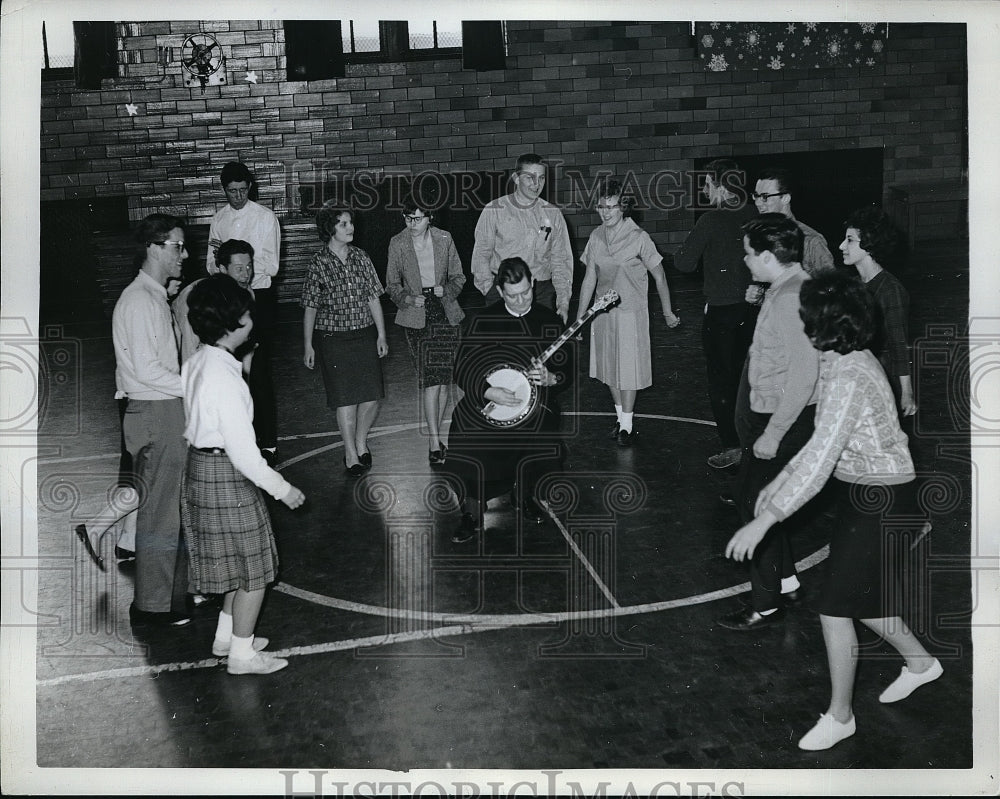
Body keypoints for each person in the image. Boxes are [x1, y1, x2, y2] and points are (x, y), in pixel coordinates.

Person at [726, 270, 942, 751]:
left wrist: (765, 519)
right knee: (860, 599)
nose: (802, 323)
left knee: (834, 607)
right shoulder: (844, 360)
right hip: (866, 492)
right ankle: (922, 663)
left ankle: (841, 716)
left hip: (883, 498)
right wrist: (779, 482)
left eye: (806, 316)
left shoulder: (848, 374)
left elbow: (822, 457)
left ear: (824, 323)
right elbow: (821, 445)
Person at [181, 274, 306, 675]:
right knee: (255, 569)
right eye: (247, 313)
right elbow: (245, 455)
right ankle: (242, 655)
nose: (252, 319)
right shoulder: (224, 377)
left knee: (237, 564)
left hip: (201, 469)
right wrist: (282, 489)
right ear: (233, 322)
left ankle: (227, 638)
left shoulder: (198, 361)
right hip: (226, 474)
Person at [717, 214, 820, 631]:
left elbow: (804, 374)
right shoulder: (785, 288)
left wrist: (774, 434)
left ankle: (766, 604)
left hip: (782, 420)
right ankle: (788, 582)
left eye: (748, 254)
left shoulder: (791, 296)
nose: (744, 261)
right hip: (772, 414)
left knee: (756, 505)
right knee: (763, 500)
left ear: (766, 257)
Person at [446, 257, 574, 542]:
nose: (520, 301)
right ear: (500, 292)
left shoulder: (548, 320)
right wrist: (487, 391)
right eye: (512, 295)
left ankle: (524, 494)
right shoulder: (483, 320)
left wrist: (552, 378)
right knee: (465, 430)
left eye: (526, 293)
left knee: (543, 427)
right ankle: (471, 510)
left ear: (533, 284)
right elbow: (461, 368)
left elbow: (566, 370)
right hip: (489, 400)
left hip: (533, 405)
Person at [111, 213, 191, 627]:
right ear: (153, 248)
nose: (184, 254)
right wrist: (197, 384)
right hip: (157, 412)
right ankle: (151, 606)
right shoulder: (140, 301)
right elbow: (146, 371)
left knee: (166, 509)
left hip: (161, 409)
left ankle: (167, 596)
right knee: (160, 513)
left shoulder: (152, 296)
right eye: (177, 246)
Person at [75, 276, 184, 570]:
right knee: (151, 479)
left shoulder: (162, 307)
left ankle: (126, 540)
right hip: (145, 402)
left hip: (145, 399)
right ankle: (96, 527)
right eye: (175, 279)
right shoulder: (145, 306)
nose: (178, 282)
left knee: (143, 478)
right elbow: (146, 368)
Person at [575, 178, 680, 447]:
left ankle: (627, 426)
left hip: (631, 313)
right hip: (603, 313)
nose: (605, 212)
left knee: (628, 369)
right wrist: (580, 318)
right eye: (601, 206)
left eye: (611, 207)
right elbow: (589, 278)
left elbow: (660, 276)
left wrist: (668, 311)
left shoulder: (639, 237)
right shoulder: (596, 237)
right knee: (609, 367)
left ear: (623, 208)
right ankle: (620, 418)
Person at [674, 159, 758, 468]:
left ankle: (732, 446)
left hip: (722, 313)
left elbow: (684, 263)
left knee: (722, 381)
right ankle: (755, 441)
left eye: (708, 184)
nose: (705, 190)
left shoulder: (710, 219)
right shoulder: (754, 214)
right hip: (754, 311)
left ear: (721, 186)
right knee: (749, 377)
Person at [301, 205, 389, 477]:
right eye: (343, 224)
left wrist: (381, 334)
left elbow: (373, 297)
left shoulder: (361, 257)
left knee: (372, 397)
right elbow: (310, 306)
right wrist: (308, 344)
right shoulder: (318, 263)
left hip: (363, 334)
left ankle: (361, 441)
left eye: (350, 222)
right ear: (330, 229)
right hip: (333, 339)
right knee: (346, 400)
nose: (350, 228)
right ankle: (351, 454)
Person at [206, 161, 281, 462]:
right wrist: (225, 270)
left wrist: (237, 263)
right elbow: (210, 264)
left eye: (242, 190)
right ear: (223, 190)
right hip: (227, 299)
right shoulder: (219, 219)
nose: (237, 196)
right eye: (231, 191)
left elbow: (271, 266)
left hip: (258, 298)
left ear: (250, 187)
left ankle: (268, 442)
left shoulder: (265, 217)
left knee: (258, 373)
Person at [385, 193, 466, 464]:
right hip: (417, 315)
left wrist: (447, 290)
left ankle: (436, 436)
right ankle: (433, 441)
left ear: (430, 218)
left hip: (444, 310)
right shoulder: (397, 243)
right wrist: (408, 298)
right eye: (407, 218)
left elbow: (459, 277)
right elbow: (391, 284)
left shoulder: (445, 238)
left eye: (417, 219)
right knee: (431, 380)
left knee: (442, 381)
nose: (412, 224)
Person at [471, 153, 573, 323]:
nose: (536, 184)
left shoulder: (553, 214)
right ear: (516, 178)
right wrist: (490, 290)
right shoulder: (494, 210)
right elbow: (481, 254)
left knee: (540, 339)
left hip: (541, 292)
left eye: (541, 178)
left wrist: (563, 302)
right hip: (505, 290)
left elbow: (561, 261)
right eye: (530, 177)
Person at [839, 206, 916, 417]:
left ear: (869, 244)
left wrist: (906, 392)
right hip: (859, 374)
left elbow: (899, 344)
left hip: (882, 378)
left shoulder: (890, 290)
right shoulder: (854, 283)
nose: (841, 246)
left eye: (850, 240)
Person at [175, 239, 257, 366]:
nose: (246, 275)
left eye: (249, 267)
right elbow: (188, 352)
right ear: (223, 269)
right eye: (239, 269)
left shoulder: (246, 292)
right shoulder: (197, 296)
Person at [752, 167, 835, 277]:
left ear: (785, 198)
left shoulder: (810, 240)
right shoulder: (760, 235)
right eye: (756, 196)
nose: (758, 203)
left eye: (765, 196)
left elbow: (830, 284)